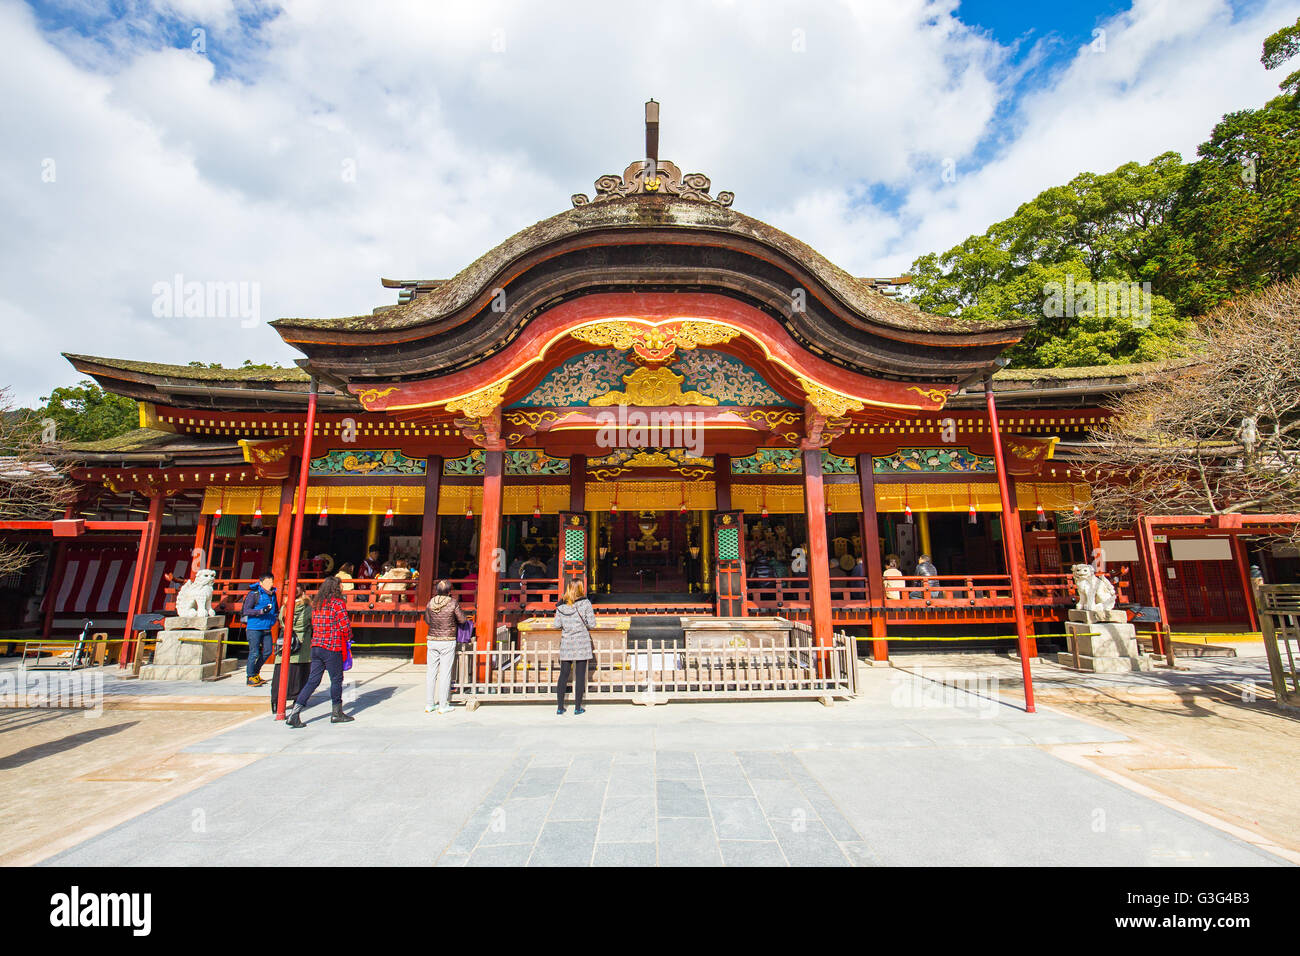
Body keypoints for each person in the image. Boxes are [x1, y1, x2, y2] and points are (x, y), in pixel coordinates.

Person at [286, 575, 356, 727]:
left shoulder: (317, 603)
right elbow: (344, 625)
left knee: (313, 680)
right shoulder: (337, 603)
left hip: (316, 645)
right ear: (336, 588)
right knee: (336, 679)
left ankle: (295, 712)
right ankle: (336, 712)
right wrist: (349, 637)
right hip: (332, 646)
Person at [553, 579, 596, 715]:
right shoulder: (585, 603)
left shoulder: (561, 606)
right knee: (580, 675)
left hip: (567, 643)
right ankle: (577, 707)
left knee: (563, 675)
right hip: (581, 642)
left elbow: (556, 624)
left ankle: (560, 707)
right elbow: (592, 624)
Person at [424, 579, 467, 714]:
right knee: (445, 673)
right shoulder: (452, 603)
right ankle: (443, 704)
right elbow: (462, 619)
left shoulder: (430, 602)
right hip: (447, 640)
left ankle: (429, 704)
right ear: (449, 591)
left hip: (432, 639)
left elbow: (427, 620)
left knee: (431, 672)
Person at [272, 583, 312, 712]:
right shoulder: (307, 608)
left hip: (286, 640)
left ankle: (276, 701)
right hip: (301, 642)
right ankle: (297, 699)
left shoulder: (285, 607)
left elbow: (281, 621)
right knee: (299, 673)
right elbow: (309, 623)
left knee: (280, 673)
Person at [242, 573, 278, 687]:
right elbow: (246, 610)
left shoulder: (273, 595)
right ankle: (250, 676)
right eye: (267, 582)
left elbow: (275, 609)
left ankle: (255, 673)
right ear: (261, 582)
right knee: (254, 652)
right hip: (254, 627)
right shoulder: (254, 594)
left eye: (271, 581)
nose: (270, 584)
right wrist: (261, 611)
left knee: (268, 651)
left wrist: (274, 618)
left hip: (267, 627)